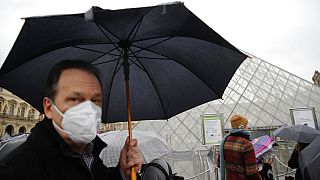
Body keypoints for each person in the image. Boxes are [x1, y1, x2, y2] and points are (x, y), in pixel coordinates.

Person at [0, 60, 144, 180]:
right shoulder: (18, 170)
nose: (88, 110)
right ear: (49, 108)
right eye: (75, 99)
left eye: (95, 100)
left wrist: (122, 173)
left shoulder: (90, 153)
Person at [219, 114, 261, 180]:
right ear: (241, 126)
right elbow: (251, 172)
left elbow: (219, 163)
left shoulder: (225, 141)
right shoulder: (246, 144)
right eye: (246, 124)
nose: (248, 126)